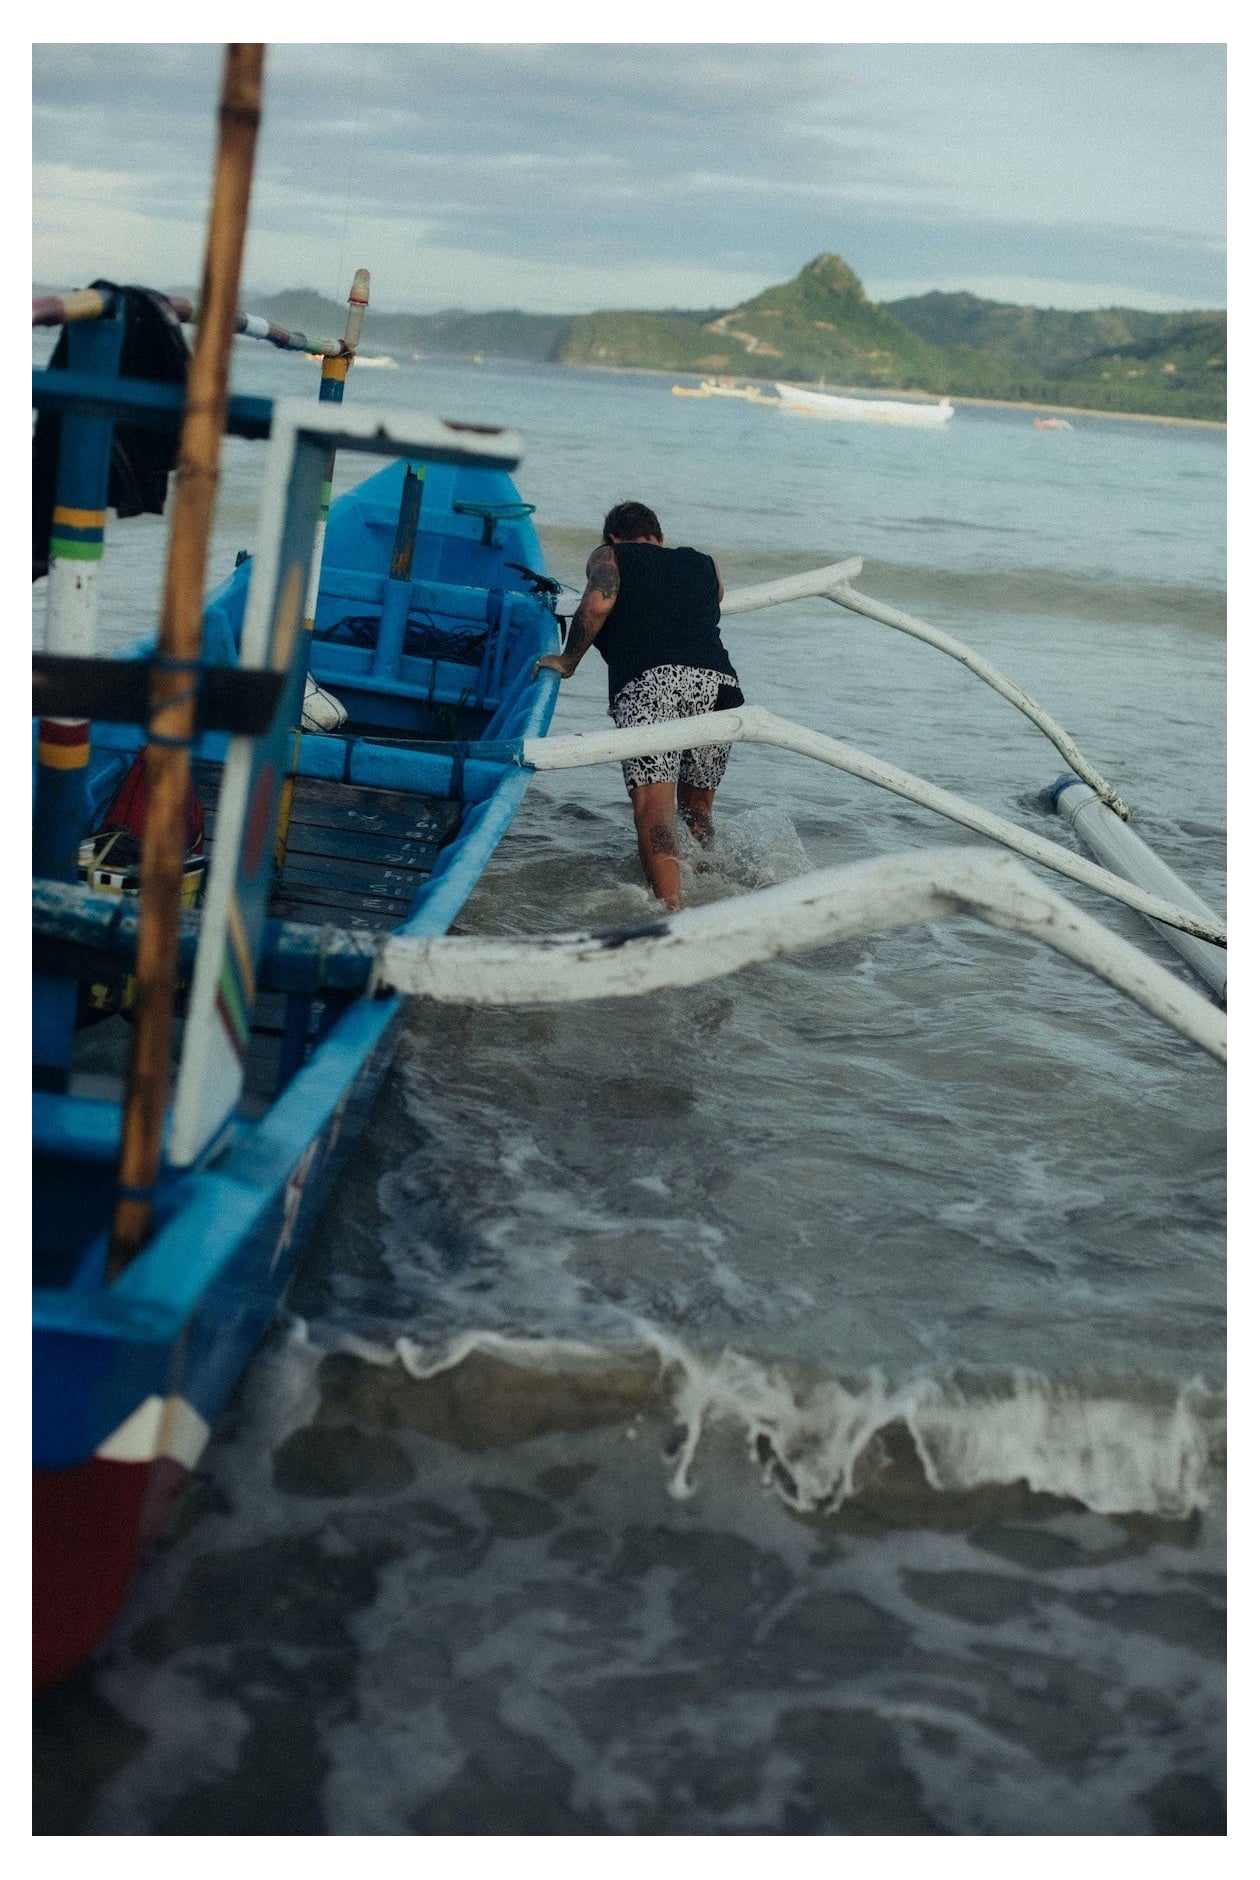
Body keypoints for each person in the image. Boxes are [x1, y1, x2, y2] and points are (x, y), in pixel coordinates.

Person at [537, 501, 743, 910]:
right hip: (720, 687)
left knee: (654, 813)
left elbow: (597, 604)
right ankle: (712, 896)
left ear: (613, 537)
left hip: (653, 688)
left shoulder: (610, 555)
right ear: (659, 538)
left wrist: (568, 660)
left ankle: (671, 911)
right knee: (697, 810)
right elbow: (714, 598)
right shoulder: (705, 563)